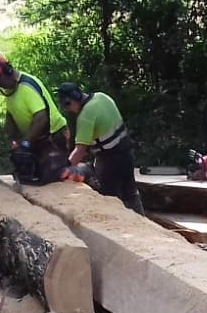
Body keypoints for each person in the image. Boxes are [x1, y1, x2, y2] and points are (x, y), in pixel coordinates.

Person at [0, 54, 70, 184]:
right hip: (37, 139)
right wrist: (14, 141)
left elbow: (41, 118)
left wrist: (25, 143)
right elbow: (11, 117)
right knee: (29, 179)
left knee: (52, 182)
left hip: (54, 138)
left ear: (6, 70)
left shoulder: (26, 87)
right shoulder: (10, 93)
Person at [57, 82, 144, 214]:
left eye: (66, 106)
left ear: (71, 100)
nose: (68, 110)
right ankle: (141, 222)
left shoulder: (85, 116)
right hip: (127, 152)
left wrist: (65, 169)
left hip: (110, 160)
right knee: (130, 192)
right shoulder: (102, 97)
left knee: (109, 198)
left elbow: (80, 150)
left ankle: (116, 228)